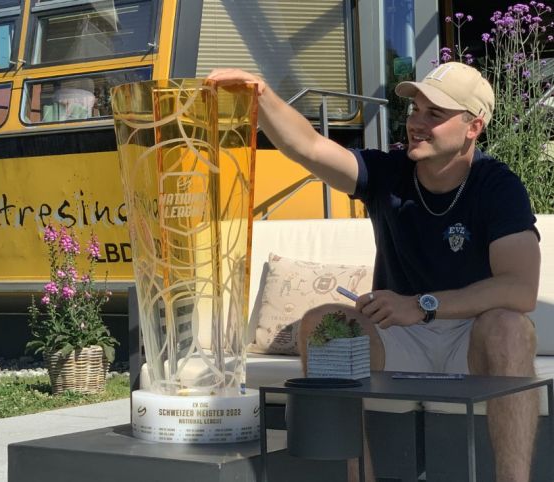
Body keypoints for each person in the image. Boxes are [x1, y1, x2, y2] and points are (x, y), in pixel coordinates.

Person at [208, 62, 540, 482]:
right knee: (324, 324)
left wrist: (422, 305)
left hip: (468, 334)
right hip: (400, 336)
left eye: (434, 114)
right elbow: (308, 147)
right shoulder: (389, 172)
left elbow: (519, 289)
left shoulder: (498, 185)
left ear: (473, 127)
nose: (416, 123)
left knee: (510, 328)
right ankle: (358, 476)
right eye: (415, 110)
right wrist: (262, 94)